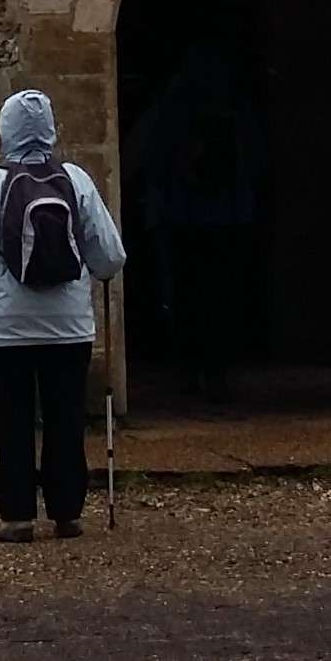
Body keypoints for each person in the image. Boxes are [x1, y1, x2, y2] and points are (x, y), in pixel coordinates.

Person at [0, 91, 124, 542]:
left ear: (5, 131)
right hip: (68, 326)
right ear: (50, 130)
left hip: (5, 327)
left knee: (13, 417)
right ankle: (67, 512)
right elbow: (110, 257)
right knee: (65, 415)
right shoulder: (76, 181)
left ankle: (17, 515)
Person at [128, 39, 265, 398]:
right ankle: (215, 369)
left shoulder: (168, 107)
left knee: (183, 295)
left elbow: (139, 156)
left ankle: (192, 369)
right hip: (226, 215)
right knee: (221, 294)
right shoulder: (234, 106)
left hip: (178, 215)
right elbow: (256, 158)